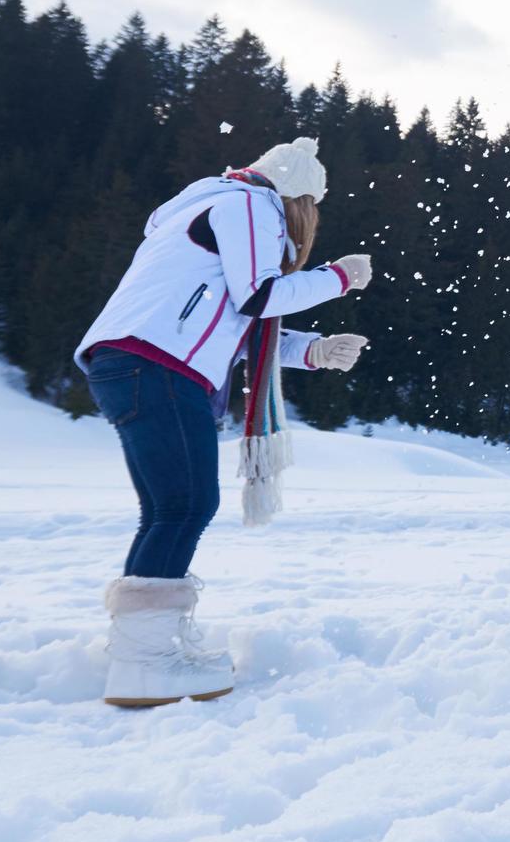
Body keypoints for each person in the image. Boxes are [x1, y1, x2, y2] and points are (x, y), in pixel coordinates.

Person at [72, 138, 377, 707]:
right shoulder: (248, 204)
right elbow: (260, 297)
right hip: (155, 365)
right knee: (185, 506)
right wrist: (339, 277)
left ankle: (143, 646)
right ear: (297, 198)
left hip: (136, 362)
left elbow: (230, 324)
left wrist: (313, 350)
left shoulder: (200, 214)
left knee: (170, 508)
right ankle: (145, 661)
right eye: (310, 212)